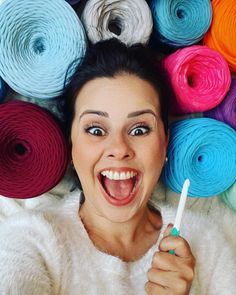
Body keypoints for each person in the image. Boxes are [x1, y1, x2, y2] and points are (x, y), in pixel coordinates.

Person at [0, 39, 235, 295]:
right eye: (96, 129)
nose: (119, 148)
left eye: (139, 129)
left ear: (165, 144)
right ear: (71, 147)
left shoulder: (207, 244)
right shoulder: (29, 242)